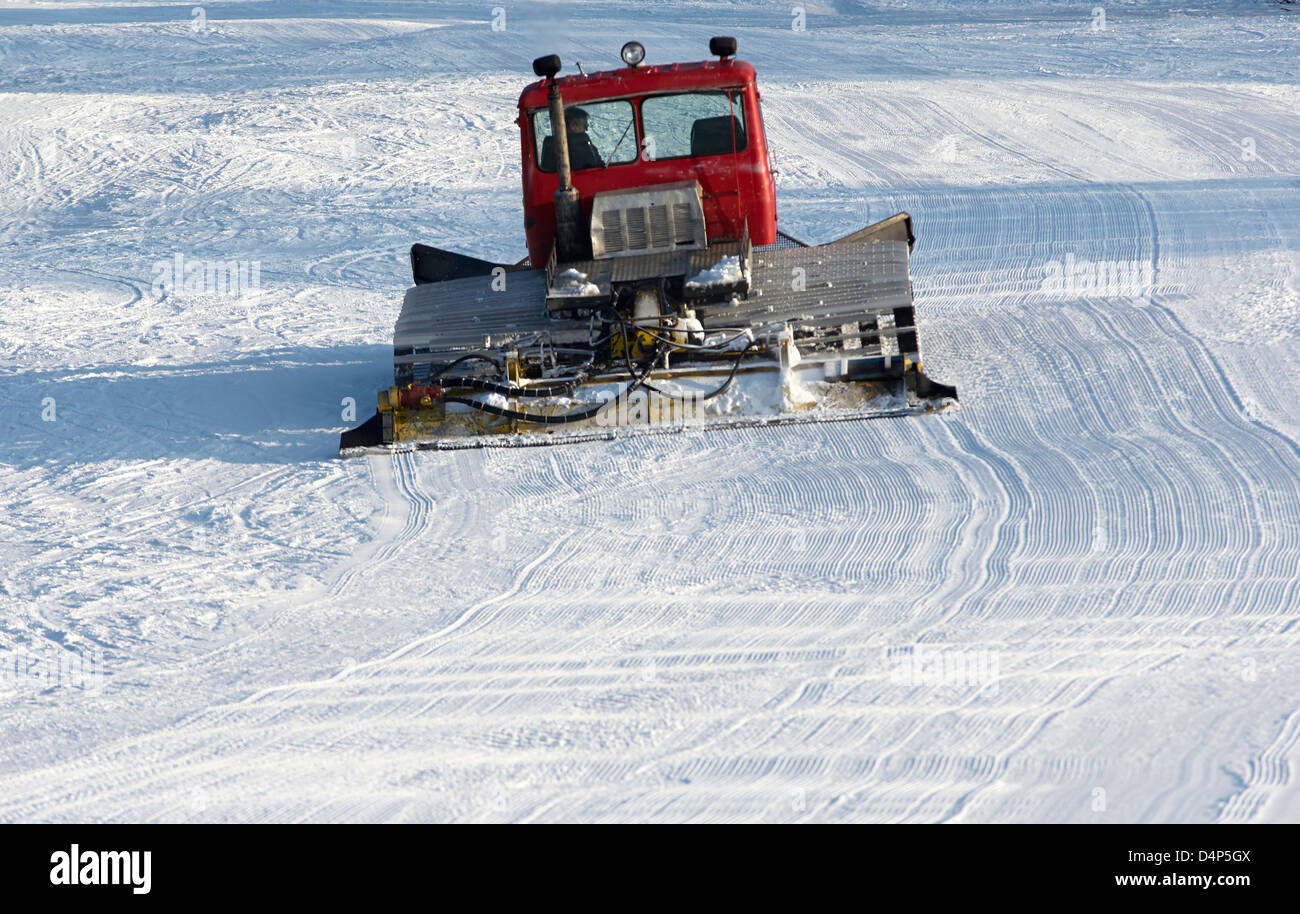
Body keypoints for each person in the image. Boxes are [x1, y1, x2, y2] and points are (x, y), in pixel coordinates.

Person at [540, 107, 605, 172]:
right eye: (585, 126)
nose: (586, 129)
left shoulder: (549, 144)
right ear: (573, 126)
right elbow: (596, 165)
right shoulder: (582, 143)